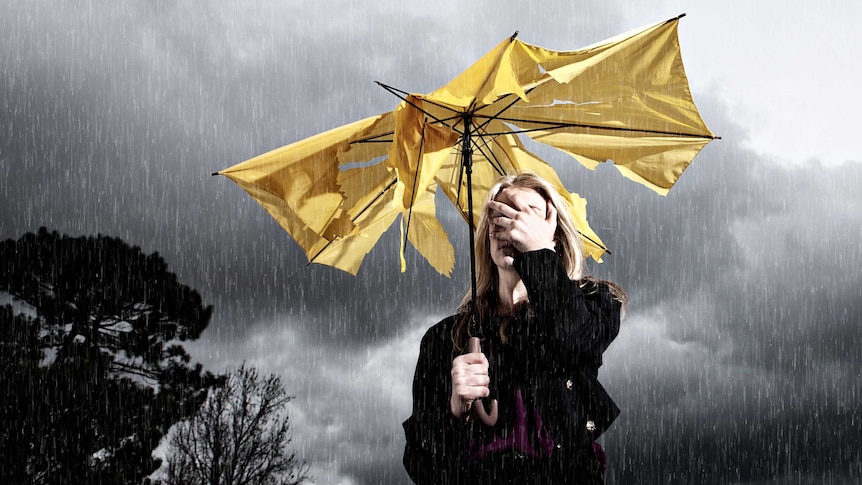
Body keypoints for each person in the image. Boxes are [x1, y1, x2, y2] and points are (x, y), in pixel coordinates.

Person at [402, 172, 627, 484]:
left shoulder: (593, 301)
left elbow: (576, 340)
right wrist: (454, 412)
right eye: (499, 214)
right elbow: (422, 467)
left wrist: (538, 254)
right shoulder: (444, 338)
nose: (511, 224)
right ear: (487, 235)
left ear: (555, 234)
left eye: (528, 214)